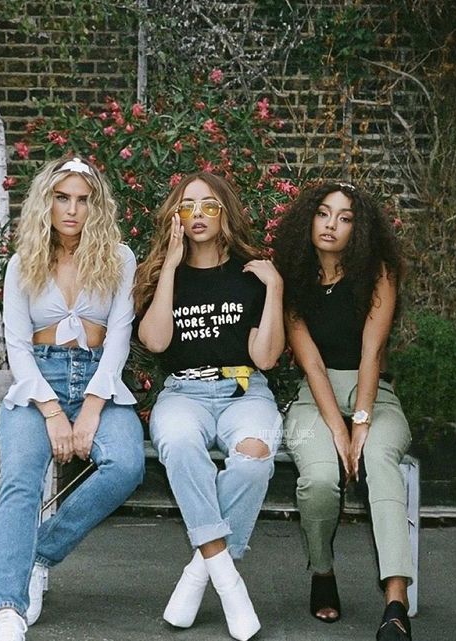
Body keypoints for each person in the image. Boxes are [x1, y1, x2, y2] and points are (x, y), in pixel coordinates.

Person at [0, 157, 144, 641]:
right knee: (19, 479)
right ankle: (7, 609)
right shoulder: (21, 263)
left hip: (100, 380)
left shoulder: (119, 258)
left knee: (126, 464)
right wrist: (53, 412)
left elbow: (119, 337)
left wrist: (92, 408)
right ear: (46, 202)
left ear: (96, 205)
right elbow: (16, 345)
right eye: (62, 197)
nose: (72, 209)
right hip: (40, 382)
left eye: (83, 199)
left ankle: (40, 552)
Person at [134, 172, 284, 641]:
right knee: (178, 444)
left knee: (254, 458)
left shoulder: (251, 275)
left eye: (209, 205)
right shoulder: (163, 273)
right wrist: (172, 267)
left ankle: (199, 572)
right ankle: (229, 582)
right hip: (184, 394)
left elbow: (265, 357)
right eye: (187, 206)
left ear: (226, 213)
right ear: (175, 217)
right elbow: (156, 341)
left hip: (245, 391)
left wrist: (275, 290)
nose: (198, 214)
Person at [274, 181, 414, 640]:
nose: (331, 224)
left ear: (359, 228)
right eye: (323, 213)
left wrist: (361, 423)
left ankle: (395, 601)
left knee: (379, 461)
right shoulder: (292, 277)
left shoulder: (379, 274)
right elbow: (310, 361)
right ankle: (322, 572)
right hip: (315, 399)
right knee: (318, 478)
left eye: (345, 217)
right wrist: (337, 429)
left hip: (373, 395)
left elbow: (372, 354)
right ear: (308, 220)